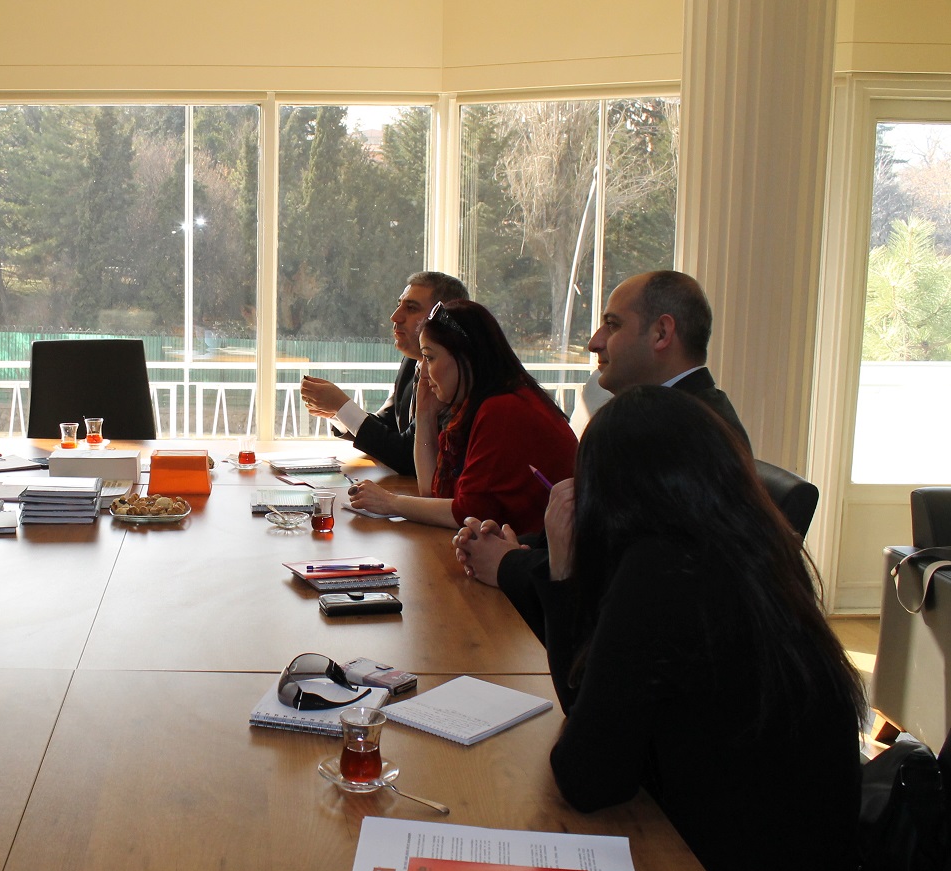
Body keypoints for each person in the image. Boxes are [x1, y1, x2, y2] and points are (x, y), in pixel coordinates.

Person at [541, 386, 863, 871]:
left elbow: (586, 778)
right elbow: (591, 708)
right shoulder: (756, 550)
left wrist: (562, 572)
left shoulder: (661, 573)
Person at [455, 270, 749, 635]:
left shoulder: (670, 435)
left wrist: (507, 564)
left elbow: (607, 578)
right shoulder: (688, 415)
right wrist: (509, 546)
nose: (595, 342)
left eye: (612, 325)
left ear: (662, 333)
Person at [346, 300, 576, 534]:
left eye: (430, 357)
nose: (423, 373)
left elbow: (466, 512)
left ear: (466, 357)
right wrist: (425, 416)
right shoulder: (477, 405)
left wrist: (389, 502)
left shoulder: (504, 409)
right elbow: (433, 493)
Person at [300, 271, 467, 475]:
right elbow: (387, 427)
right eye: (399, 305)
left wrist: (342, 406)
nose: (395, 316)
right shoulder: (411, 362)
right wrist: (337, 413)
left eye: (411, 308)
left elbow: (407, 456)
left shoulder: (450, 377)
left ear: (441, 318)